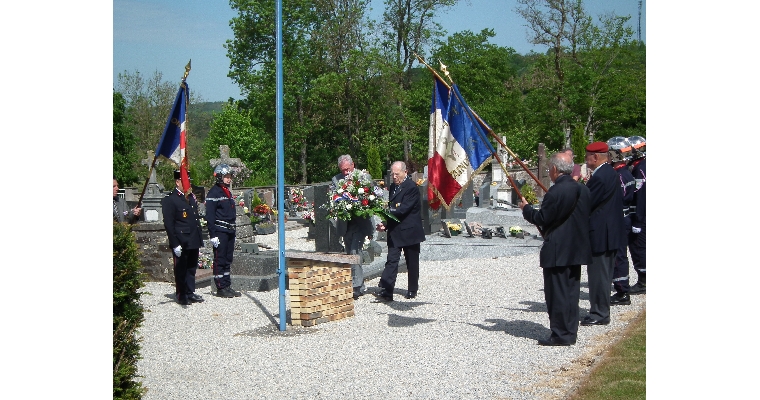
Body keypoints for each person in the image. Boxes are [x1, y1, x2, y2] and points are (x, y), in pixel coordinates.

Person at [519, 152, 591, 346]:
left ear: (555, 169)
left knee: (557, 294)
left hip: (559, 249)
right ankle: (569, 331)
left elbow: (542, 219)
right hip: (575, 248)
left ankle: (560, 334)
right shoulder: (582, 190)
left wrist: (526, 209)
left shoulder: (556, 192)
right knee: (571, 293)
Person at [582, 142, 624, 326]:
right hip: (608, 232)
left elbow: (588, 202)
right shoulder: (609, 173)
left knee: (599, 276)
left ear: (596, 157)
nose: (585, 159)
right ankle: (601, 309)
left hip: (601, 233)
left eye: (587, 155)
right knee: (603, 275)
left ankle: (600, 312)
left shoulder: (601, 177)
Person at [375, 161, 426, 302]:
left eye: (397, 174)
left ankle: (412, 289)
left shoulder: (411, 188)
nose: (394, 176)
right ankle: (387, 289)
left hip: (410, 231)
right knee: (391, 260)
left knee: (412, 262)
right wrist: (385, 224)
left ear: (405, 172)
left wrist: (385, 215)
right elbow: (394, 209)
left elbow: (402, 210)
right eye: (392, 174)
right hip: (396, 231)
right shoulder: (393, 187)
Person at [331, 155, 375, 300]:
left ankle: (356, 287)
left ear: (353, 165)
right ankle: (359, 285)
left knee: (355, 251)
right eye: (342, 170)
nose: (345, 173)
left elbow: (371, 198)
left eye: (347, 169)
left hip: (361, 222)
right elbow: (333, 198)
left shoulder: (364, 177)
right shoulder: (336, 180)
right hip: (346, 223)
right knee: (350, 252)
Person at [161, 170, 204, 305]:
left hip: (192, 239)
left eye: (189, 181)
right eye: (185, 181)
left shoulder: (190, 197)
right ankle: (181, 294)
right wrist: (174, 243)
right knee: (181, 269)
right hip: (181, 241)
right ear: (177, 182)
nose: (188, 183)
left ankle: (190, 292)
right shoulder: (170, 199)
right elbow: (169, 224)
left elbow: (194, 220)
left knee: (191, 268)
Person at [607, 137, 636, 306]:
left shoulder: (620, 175)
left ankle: (622, 291)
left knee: (618, 257)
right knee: (620, 256)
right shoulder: (626, 173)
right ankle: (621, 288)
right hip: (624, 217)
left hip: (620, 219)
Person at [206, 164, 242, 298]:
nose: (229, 179)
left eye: (229, 176)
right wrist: (212, 234)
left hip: (229, 230)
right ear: (219, 177)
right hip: (220, 230)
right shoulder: (214, 193)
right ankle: (220, 287)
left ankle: (227, 285)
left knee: (228, 259)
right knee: (220, 259)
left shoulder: (227, 192)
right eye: (226, 177)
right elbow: (209, 215)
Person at [627, 136, 647, 295]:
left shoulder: (641, 168)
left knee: (639, 247)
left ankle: (643, 281)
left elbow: (641, 195)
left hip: (641, 215)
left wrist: (638, 221)